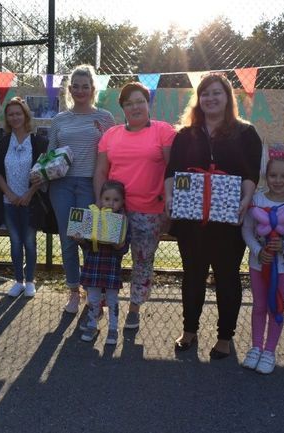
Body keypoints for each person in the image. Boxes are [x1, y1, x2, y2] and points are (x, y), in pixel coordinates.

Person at [164, 73, 262, 359]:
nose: (210, 98)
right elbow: (172, 171)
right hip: (191, 219)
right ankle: (189, 330)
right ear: (199, 99)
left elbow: (250, 172)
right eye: (205, 94)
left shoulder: (246, 133)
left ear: (228, 97)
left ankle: (224, 336)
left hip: (228, 218)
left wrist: (245, 198)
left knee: (226, 276)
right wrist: (170, 196)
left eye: (216, 93)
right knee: (192, 275)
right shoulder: (186, 134)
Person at [94, 82, 176, 330]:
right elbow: (100, 170)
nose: (135, 107)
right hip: (114, 212)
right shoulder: (111, 135)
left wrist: (167, 207)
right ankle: (101, 304)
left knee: (142, 261)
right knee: (107, 260)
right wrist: (100, 204)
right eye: (129, 103)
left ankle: (134, 308)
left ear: (148, 103)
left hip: (150, 212)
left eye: (140, 101)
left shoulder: (163, 131)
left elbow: (172, 169)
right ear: (123, 108)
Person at [48, 64, 115, 314]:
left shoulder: (104, 118)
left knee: (88, 240)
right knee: (67, 240)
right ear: (69, 89)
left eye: (85, 86)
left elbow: (113, 151)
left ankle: (92, 291)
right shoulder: (59, 120)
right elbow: (50, 155)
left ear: (93, 89)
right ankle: (74, 292)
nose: (80, 90)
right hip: (62, 186)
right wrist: (40, 176)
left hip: (90, 184)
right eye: (75, 86)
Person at [241, 151, 284, 374]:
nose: (278, 181)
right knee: (259, 306)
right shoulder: (256, 200)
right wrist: (257, 251)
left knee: (276, 307)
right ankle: (256, 347)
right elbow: (246, 230)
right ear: (266, 176)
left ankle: (269, 351)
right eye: (273, 175)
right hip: (258, 265)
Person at [0, 97, 47, 298]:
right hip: (9, 202)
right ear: (7, 118)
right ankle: (18, 281)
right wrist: (10, 194)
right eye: (11, 114)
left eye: (18, 113)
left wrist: (28, 194)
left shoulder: (39, 142)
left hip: (30, 202)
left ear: (25, 116)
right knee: (15, 241)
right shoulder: (3, 143)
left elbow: (43, 172)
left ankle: (31, 280)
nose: (15, 117)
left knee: (29, 241)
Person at [74, 180, 130, 345]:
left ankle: (113, 329)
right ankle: (92, 324)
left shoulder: (123, 220)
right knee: (93, 298)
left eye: (115, 200)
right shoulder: (93, 217)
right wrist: (79, 240)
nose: (110, 203)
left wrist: (119, 245)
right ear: (100, 199)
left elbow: (124, 247)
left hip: (111, 266)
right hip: (94, 264)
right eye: (106, 199)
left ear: (122, 202)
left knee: (112, 299)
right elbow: (87, 244)